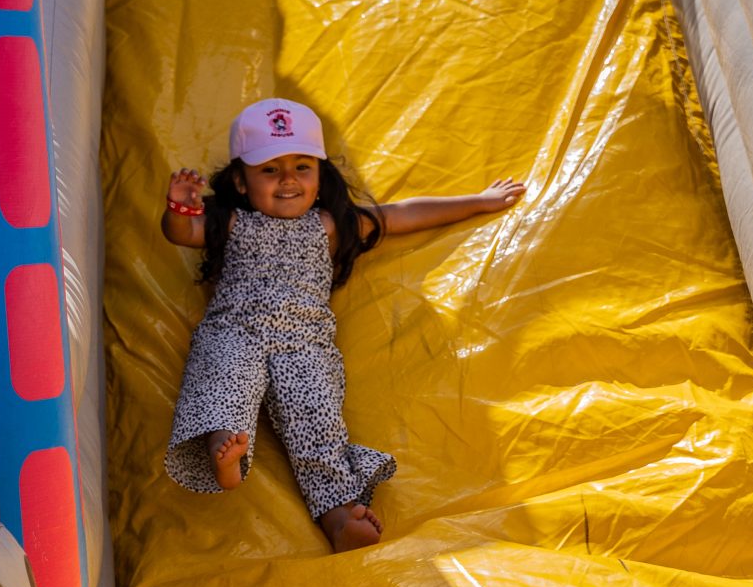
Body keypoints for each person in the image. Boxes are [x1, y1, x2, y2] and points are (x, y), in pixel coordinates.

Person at [158, 97, 524, 551]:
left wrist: (478, 202)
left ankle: (338, 517)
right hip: (236, 330)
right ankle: (226, 450)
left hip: (304, 343)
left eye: (302, 167)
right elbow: (183, 233)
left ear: (320, 174)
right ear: (240, 181)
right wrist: (180, 208)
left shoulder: (330, 225)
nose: (288, 179)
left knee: (317, 421)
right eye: (270, 170)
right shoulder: (232, 222)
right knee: (224, 376)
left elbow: (401, 215)